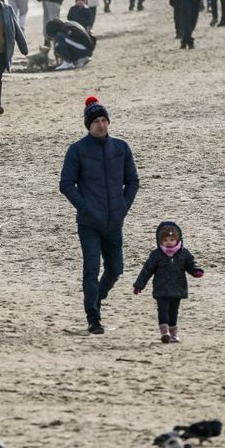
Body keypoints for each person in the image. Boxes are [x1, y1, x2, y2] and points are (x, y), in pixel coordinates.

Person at [59, 96, 139, 335]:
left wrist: (123, 206)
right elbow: (66, 184)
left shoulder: (121, 148)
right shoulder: (77, 150)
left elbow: (133, 181)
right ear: (88, 125)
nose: (101, 125)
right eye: (96, 121)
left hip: (114, 220)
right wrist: (84, 207)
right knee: (91, 269)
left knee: (116, 269)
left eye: (104, 120)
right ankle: (93, 317)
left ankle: (97, 298)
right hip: (89, 223)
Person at [132, 221, 205, 344]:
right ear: (160, 241)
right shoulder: (156, 255)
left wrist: (196, 271)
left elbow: (191, 264)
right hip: (161, 289)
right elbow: (147, 270)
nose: (168, 242)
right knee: (163, 310)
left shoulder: (184, 253)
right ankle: (164, 333)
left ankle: (173, 334)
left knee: (174, 312)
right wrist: (139, 285)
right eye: (165, 240)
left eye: (171, 239)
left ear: (178, 239)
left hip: (177, 288)